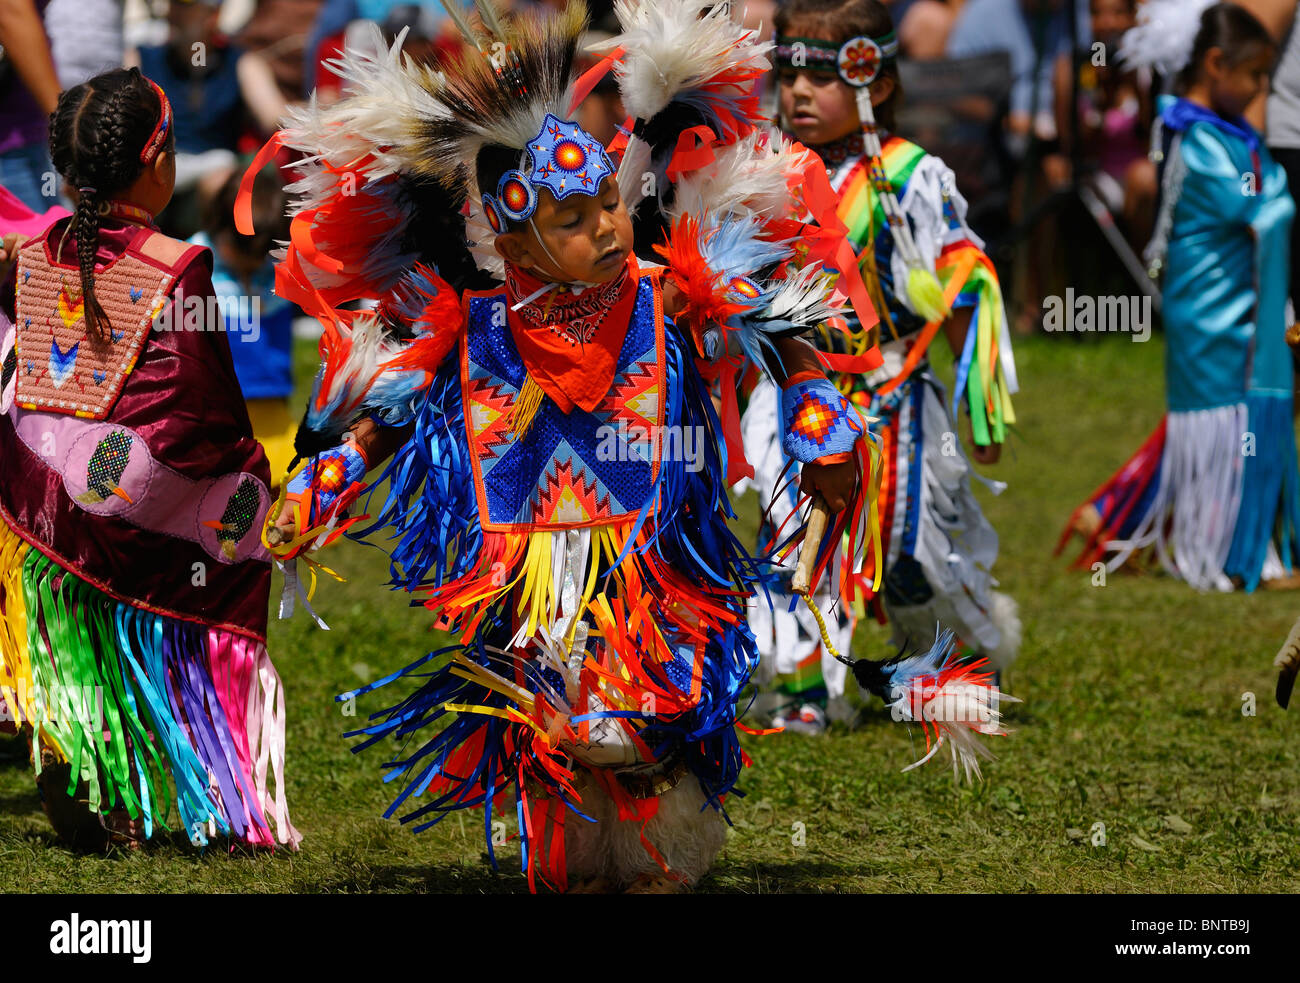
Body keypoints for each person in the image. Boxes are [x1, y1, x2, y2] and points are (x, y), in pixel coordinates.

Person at [257, 0, 883, 892]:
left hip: (648, 560)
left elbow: (772, 319)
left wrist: (816, 405)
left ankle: (665, 849)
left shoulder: (661, 288)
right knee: (552, 732)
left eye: (606, 204)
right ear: (512, 240)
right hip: (530, 569)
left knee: (637, 718)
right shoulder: (474, 325)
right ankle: (578, 856)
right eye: (575, 220)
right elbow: (393, 406)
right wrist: (334, 471)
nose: (608, 227)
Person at [0, 67, 298, 851]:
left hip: (37, 495)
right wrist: (249, 474)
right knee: (228, 536)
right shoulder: (178, 262)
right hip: (120, 501)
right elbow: (197, 405)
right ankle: (224, 796)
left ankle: (91, 765)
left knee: (86, 607)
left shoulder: (32, 249)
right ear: (157, 160)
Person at [748, 0, 1021, 726]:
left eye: (822, 76)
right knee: (791, 539)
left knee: (912, 547)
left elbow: (966, 280)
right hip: (795, 393)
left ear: (877, 80)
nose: (799, 93)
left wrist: (982, 396)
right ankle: (800, 685)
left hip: (891, 393)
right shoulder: (762, 172)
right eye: (788, 74)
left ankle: (938, 666)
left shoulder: (911, 177)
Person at [1061, 2, 1298, 593]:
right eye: (1254, 76)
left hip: (1223, 302)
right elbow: (1260, 208)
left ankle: (1132, 517)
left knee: (1222, 427)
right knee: (1219, 427)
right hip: (1214, 311)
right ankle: (1229, 551)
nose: (1259, 90)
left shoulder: (1205, 128)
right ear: (1216, 65)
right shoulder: (1200, 136)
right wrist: (1283, 191)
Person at [190, 169, 297, 480]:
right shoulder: (196, 267)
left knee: (284, 490)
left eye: (261, 255)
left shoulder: (276, 266)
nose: (251, 265)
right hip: (214, 416)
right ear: (217, 228)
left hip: (271, 405)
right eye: (242, 251)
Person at [0, 0, 62, 213]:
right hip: (9, 155)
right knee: (44, 240)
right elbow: (9, 9)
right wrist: (70, 134)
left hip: (28, 142)